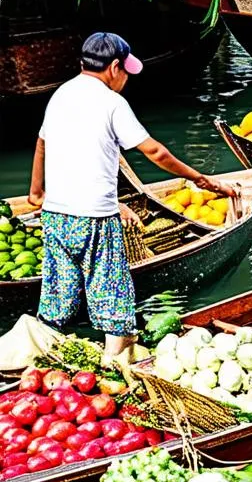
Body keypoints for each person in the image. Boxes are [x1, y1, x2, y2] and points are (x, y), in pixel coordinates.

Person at [26, 33, 236, 357]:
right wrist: (202, 180)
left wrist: (36, 192)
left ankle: (41, 359)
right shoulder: (112, 103)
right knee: (112, 298)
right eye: (125, 72)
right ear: (113, 68)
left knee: (57, 297)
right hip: (94, 220)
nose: (125, 79)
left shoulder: (61, 96)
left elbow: (43, 144)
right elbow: (155, 152)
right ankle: (114, 365)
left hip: (56, 215)